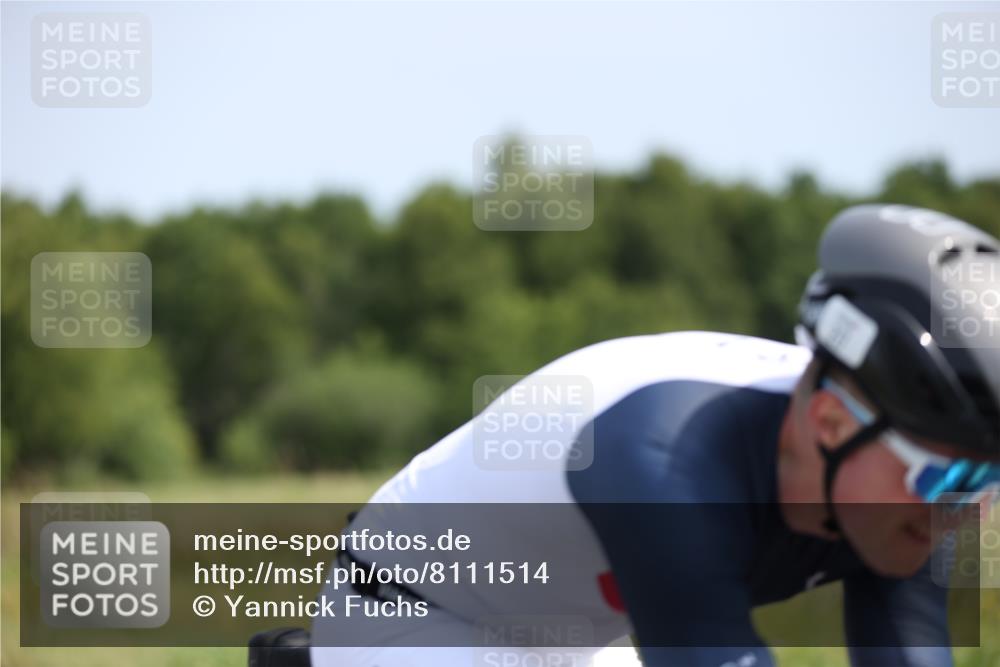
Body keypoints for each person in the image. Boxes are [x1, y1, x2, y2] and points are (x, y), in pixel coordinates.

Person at [307, 204, 1000, 667]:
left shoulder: (902, 480)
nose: (972, 513)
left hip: (573, 635)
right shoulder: (667, 459)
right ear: (830, 423)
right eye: (954, 479)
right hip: (414, 615)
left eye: (992, 479)